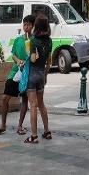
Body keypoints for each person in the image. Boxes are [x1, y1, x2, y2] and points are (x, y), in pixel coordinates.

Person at [0, 14, 34, 136]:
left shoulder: (34, 41)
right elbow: (13, 55)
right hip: (15, 71)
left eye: (29, 25)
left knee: (24, 98)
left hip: (27, 72)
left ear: (33, 26)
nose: (26, 27)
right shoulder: (18, 40)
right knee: (5, 97)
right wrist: (18, 61)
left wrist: (26, 62)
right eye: (24, 25)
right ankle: (2, 124)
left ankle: (20, 125)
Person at [23, 13, 53, 144]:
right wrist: (45, 74)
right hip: (41, 73)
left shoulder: (33, 41)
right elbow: (49, 60)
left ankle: (34, 136)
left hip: (32, 74)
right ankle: (47, 131)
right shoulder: (49, 41)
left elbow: (33, 59)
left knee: (33, 105)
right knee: (41, 104)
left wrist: (29, 53)